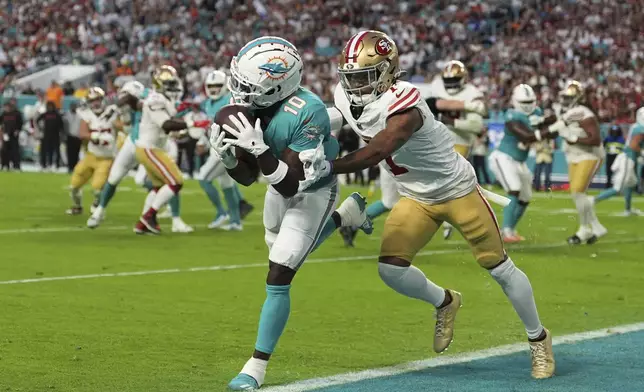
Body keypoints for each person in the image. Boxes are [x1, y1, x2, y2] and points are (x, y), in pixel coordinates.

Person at [299, 30, 554, 381]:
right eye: (351, 77)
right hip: (417, 196)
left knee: (499, 268)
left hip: (457, 191)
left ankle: (538, 338)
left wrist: (327, 165)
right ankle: (445, 301)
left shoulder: (406, 105)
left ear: (388, 72)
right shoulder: (345, 95)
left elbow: (377, 150)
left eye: (364, 77)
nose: (355, 85)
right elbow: (341, 116)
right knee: (390, 270)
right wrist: (300, 131)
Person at [208, 36, 373, 391]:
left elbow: (291, 185)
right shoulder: (248, 108)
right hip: (276, 184)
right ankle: (348, 216)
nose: (238, 91)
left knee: (280, 272)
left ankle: (255, 368)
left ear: (276, 84)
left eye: (247, 85)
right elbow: (252, 177)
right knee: (284, 255)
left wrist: (260, 148)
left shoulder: (306, 109)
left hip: (312, 189)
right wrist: (230, 160)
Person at [134, 65, 207, 234]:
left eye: (173, 83)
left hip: (152, 147)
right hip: (149, 148)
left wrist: (183, 120)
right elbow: (166, 123)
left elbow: (170, 123)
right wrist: (191, 124)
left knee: (159, 187)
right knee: (176, 181)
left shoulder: (164, 99)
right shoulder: (155, 100)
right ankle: (149, 216)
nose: (172, 88)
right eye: (168, 84)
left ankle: (142, 224)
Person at [488, 84, 558, 243]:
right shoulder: (511, 115)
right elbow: (526, 136)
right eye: (523, 102)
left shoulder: (537, 113)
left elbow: (549, 131)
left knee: (525, 197)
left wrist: (554, 124)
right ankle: (505, 231)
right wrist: (551, 125)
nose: (527, 106)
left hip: (520, 161)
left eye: (530, 102)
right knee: (514, 190)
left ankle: (509, 229)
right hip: (503, 158)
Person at [428, 60, 486, 240]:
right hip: (436, 139)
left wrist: (452, 122)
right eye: (449, 80)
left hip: (460, 141)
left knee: (449, 182)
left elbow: (477, 126)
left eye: (455, 80)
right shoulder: (436, 87)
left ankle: (454, 219)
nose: (451, 84)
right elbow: (429, 106)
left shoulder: (473, 93)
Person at [549, 81, 607, 244]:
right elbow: (556, 128)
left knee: (577, 191)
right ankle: (590, 228)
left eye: (569, 97)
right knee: (577, 194)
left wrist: (575, 139)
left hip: (590, 155)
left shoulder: (583, 112)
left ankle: (588, 228)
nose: (565, 100)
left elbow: (595, 139)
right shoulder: (568, 112)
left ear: (577, 98)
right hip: (575, 156)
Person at [195, 70, 244, 230]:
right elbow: (210, 127)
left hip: (226, 149)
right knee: (227, 185)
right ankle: (236, 222)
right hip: (217, 147)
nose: (214, 89)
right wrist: (203, 140)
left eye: (217, 85)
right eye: (211, 86)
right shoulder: (208, 103)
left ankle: (222, 213)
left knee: (203, 178)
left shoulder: (231, 100)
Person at [66, 87, 119, 215]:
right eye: (93, 100)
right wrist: (95, 137)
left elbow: (122, 126)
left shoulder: (113, 113)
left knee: (97, 188)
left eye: (98, 99)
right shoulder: (87, 114)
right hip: (90, 156)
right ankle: (77, 207)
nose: (96, 103)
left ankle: (97, 202)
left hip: (106, 158)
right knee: (74, 186)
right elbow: (82, 133)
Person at [591, 107, 644, 216]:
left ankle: (628, 210)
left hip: (631, 159)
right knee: (618, 188)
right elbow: (633, 145)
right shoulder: (640, 128)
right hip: (628, 160)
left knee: (630, 185)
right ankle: (591, 201)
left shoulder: (637, 126)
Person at [36, 101, 64, 171]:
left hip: (55, 135)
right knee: (45, 151)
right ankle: (45, 165)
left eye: (51, 106)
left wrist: (61, 132)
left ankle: (56, 165)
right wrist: (40, 128)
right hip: (46, 135)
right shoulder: (45, 114)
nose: (50, 108)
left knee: (56, 151)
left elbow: (61, 125)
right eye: (48, 106)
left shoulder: (57, 115)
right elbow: (37, 120)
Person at [0, 100, 23, 170]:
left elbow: (20, 123)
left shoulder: (16, 114)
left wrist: (18, 130)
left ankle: (16, 166)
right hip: (6, 135)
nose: (6, 109)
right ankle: (5, 165)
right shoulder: (4, 114)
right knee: (4, 151)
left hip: (14, 135)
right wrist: (2, 132)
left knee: (15, 151)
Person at [64, 101, 83, 172]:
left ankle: (75, 167)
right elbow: (64, 126)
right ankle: (70, 167)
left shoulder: (80, 115)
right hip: (70, 136)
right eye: (72, 106)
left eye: (74, 106)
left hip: (78, 136)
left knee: (76, 152)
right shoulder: (67, 115)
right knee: (69, 152)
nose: (73, 108)